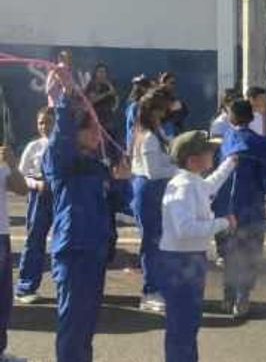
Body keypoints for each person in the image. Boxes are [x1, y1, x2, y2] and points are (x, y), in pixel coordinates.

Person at [44, 79, 130, 362]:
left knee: (88, 321)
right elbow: (61, 137)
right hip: (74, 250)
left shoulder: (96, 165)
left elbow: (117, 203)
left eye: (98, 129)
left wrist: (122, 182)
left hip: (95, 251)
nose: (97, 133)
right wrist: (66, 99)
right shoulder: (61, 161)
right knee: (73, 322)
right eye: (90, 128)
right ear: (75, 132)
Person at [158, 131, 237, 362]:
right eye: (208, 151)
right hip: (181, 263)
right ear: (193, 160)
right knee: (182, 327)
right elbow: (185, 230)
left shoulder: (192, 182)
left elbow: (209, 186)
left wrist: (230, 163)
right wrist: (223, 223)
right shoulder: (183, 186)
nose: (213, 153)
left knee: (187, 325)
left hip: (189, 261)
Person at [215, 98, 266, 318]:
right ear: (250, 117)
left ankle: (228, 295)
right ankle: (242, 298)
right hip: (251, 205)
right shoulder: (260, 143)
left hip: (226, 205)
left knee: (229, 251)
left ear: (231, 117)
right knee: (250, 251)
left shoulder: (227, 139)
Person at [130, 88, 179, 312]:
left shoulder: (156, 131)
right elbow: (153, 172)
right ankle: (150, 291)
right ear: (154, 111)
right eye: (163, 108)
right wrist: (180, 170)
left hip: (158, 190)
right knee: (151, 243)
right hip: (149, 190)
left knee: (159, 241)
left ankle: (157, 286)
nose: (167, 112)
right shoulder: (148, 136)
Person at [14, 107, 55, 304]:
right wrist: (35, 184)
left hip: (62, 195)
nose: (45, 126)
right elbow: (20, 176)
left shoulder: (66, 144)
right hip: (39, 195)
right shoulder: (33, 146)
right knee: (34, 240)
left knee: (63, 241)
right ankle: (26, 287)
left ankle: (65, 283)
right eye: (41, 122)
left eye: (49, 122)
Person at [0, 141, 30, 361]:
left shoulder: (1, 162)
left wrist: (11, 163)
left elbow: (21, 189)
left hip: (1, 235)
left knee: (3, 298)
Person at [84, 63, 118, 140]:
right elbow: (92, 100)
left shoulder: (108, 85)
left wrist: (113, 108)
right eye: (100, 72)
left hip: (107, 121)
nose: (102, 74)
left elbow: (115, 98)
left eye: (104, 72)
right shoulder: (92, 85)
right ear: (96, 73)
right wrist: (106, 94)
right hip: (94, 122)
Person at [125, 75, 154, 152]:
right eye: (147, 87)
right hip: (137, 147)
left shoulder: (134, 105)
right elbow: (137, 128)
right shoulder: (136, 106)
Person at [159, 72, 189, 138]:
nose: (173, 86)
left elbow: (184, 112)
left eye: (174, 83)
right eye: (171, 83)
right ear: (163, 83)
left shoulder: (174, 98)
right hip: (163, 133)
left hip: (176, 133)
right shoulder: (157, 98)